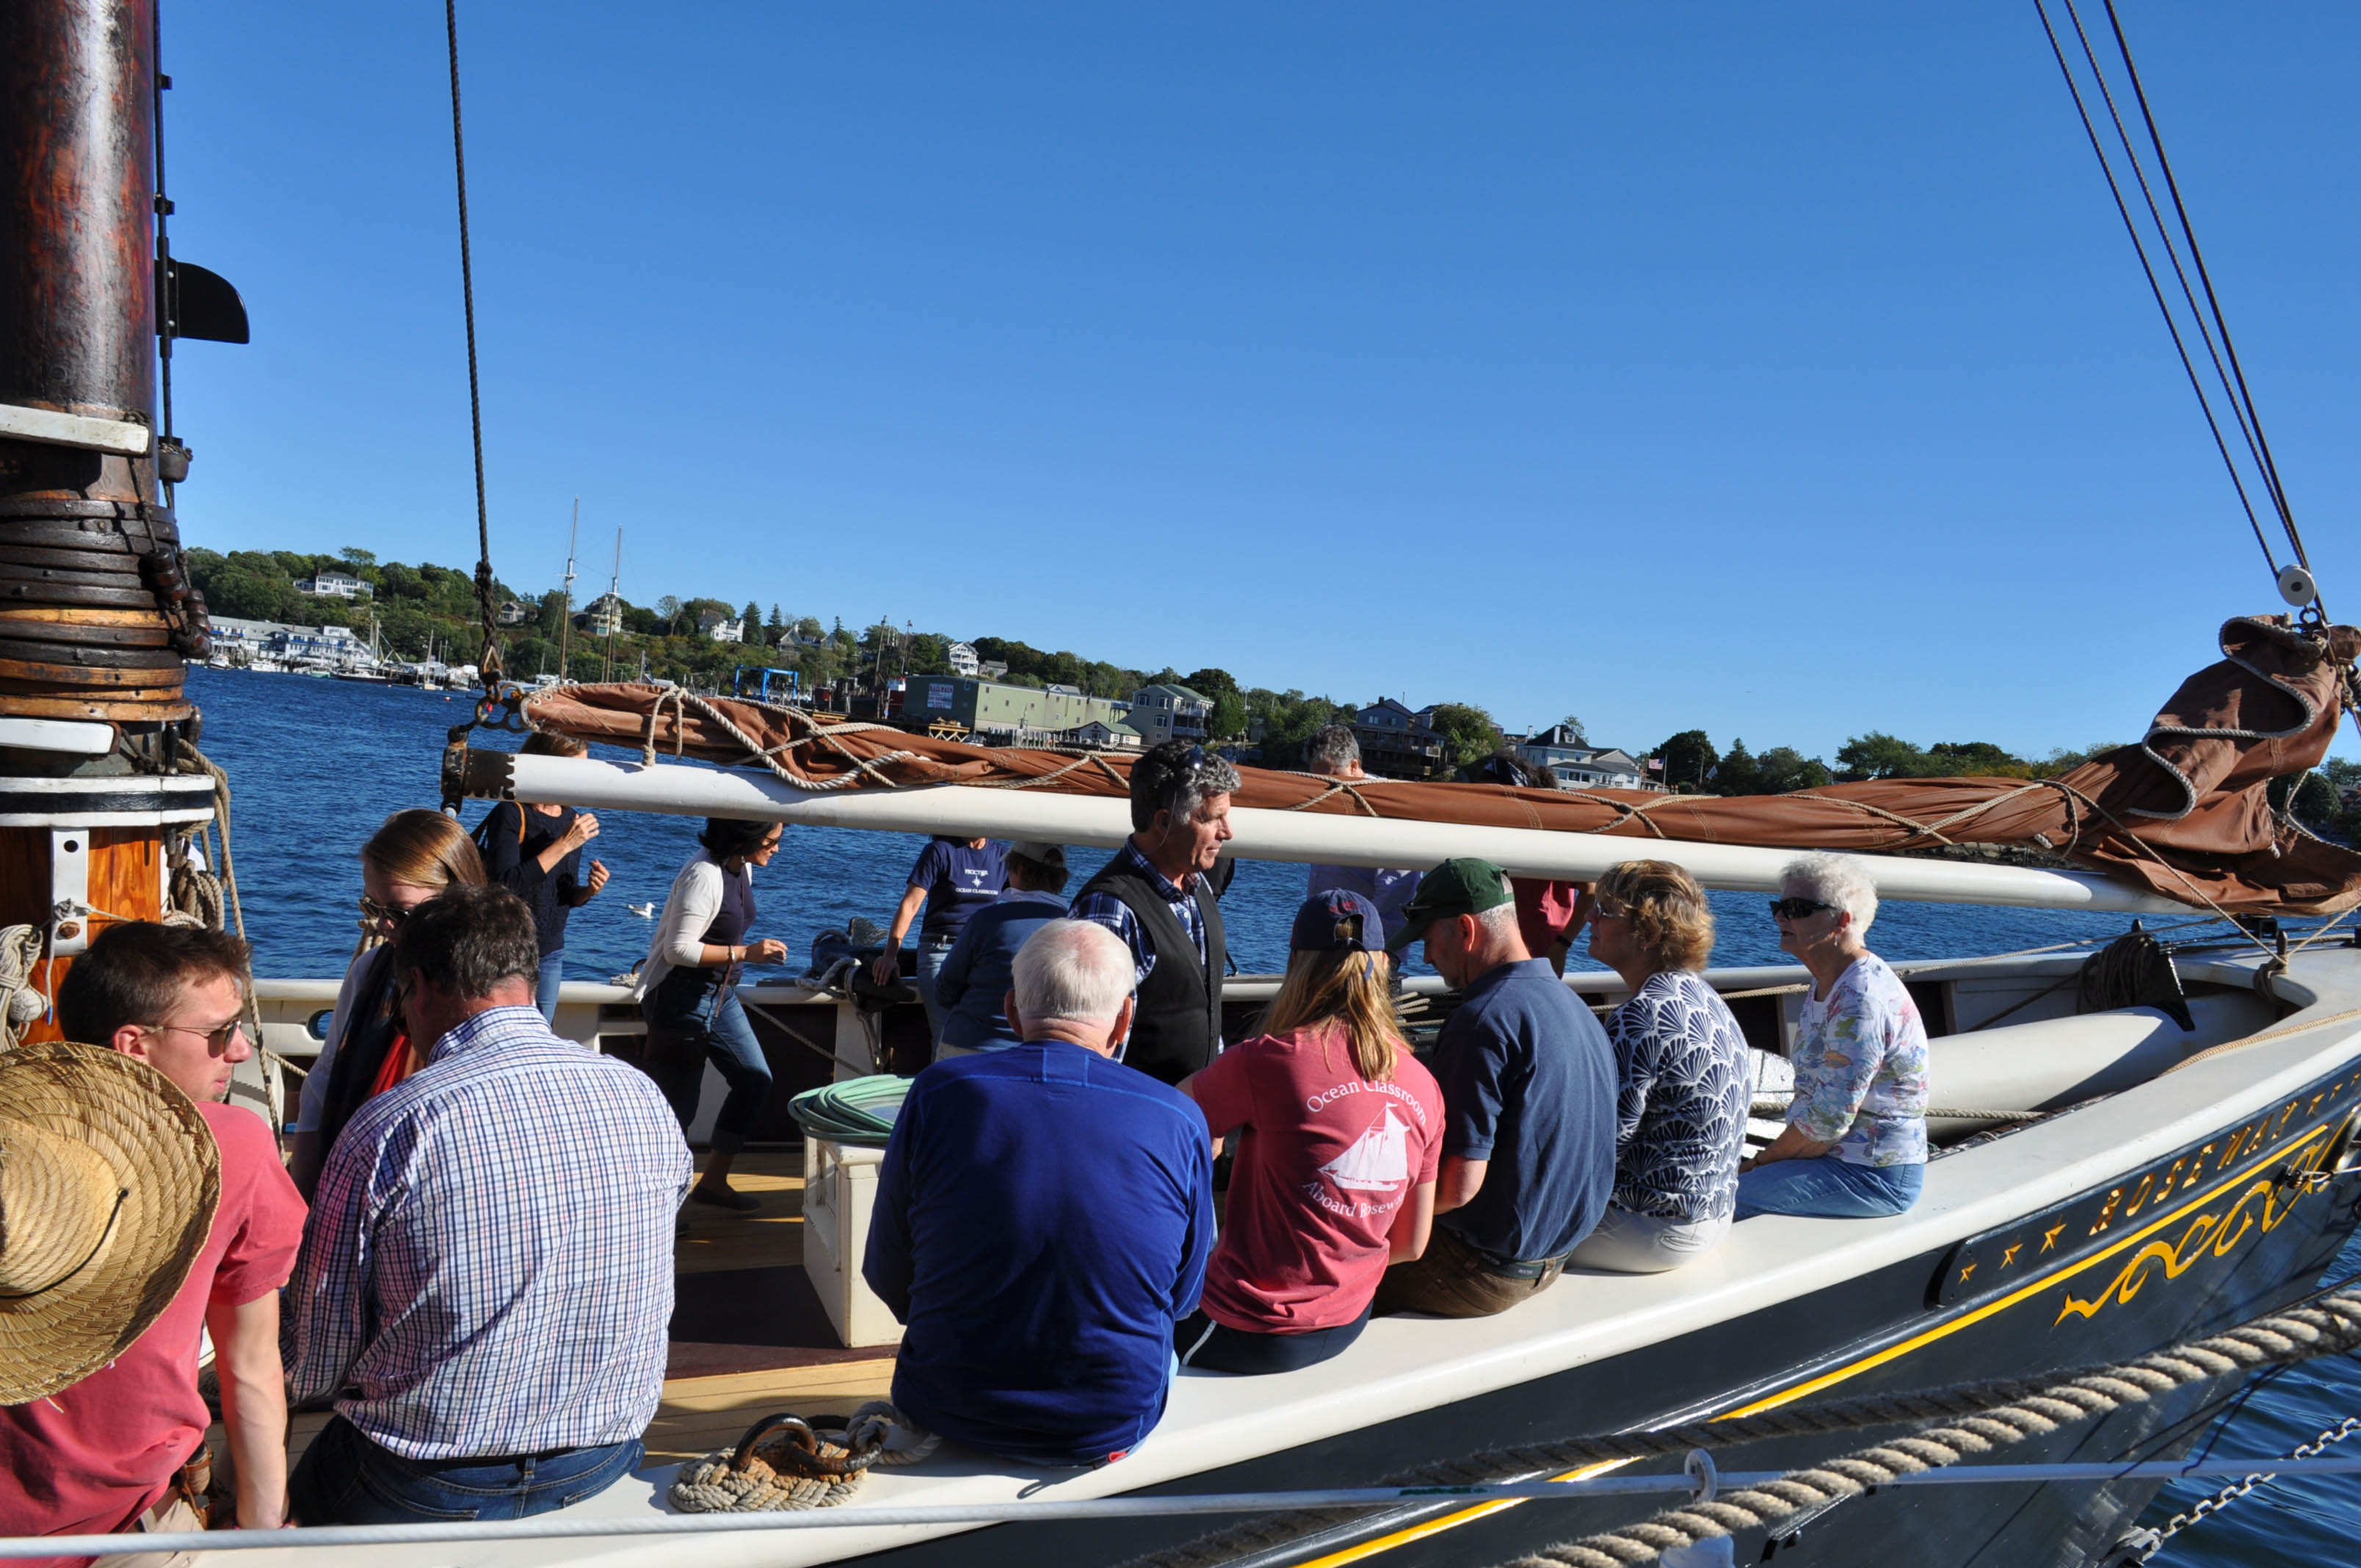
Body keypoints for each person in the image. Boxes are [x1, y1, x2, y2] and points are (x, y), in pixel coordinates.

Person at [286, 885, 690, 1525]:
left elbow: (319, 1357)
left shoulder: (392, 1126)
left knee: (289, 1501)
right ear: (527, 976)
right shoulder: (642, 1097)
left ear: (417, 986)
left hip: (423, 1476)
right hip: (600, 1461)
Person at [2, 926, 306, 1562]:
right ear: (134, 1046)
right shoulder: (232, 1150)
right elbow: (248, 1364)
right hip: (128, 1520)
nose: (243, 1049)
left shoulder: (15, 1147)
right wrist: (260, 1526)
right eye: (220, 1033)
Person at [865, 921, 1213, 1467]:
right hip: (1110, 1422)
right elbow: (1185, 1297)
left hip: (943, 1403)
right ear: (1124, 1019)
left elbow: (888, 1273)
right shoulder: (1178, 1117)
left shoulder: (938, 1092)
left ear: (1011, 1009)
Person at [1175, 890, 1442, 1373]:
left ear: (1296, 963)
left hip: (1244, 1328)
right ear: (1382, 965)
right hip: (1348, 1319)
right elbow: (1411, 1244)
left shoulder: (1269, 1061)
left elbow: (1162, 1124)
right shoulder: (1423, 1085)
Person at [1371, 857, 1615, 1318]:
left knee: (1315, 1267)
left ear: (1465, 929)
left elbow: (1458, 1188)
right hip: (1555, 1259)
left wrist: (1360, 1220)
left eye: (1428, 939)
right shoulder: (1576, 1008)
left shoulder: (1483, 1019)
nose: (1427, 957)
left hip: (1480, 1271)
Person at [289, 808, 485, 1200]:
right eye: (372, 908)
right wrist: (305, 1200)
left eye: (399, 912)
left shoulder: (488, 988)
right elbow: (323, 1083)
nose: (383, 926)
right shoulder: (369, 973)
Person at [1567, 861, 1749, 1273]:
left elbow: (1603, 1148)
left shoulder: (1643, 1015)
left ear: (1647, 932)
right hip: (1711, 1216)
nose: (1590, 917)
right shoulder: (1704, 998)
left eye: (1605, 911)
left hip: (1651, 1231)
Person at [1737, 854, 1929, 1219]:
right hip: (1835, 1157)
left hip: (1872, 1174)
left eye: (1797, 908)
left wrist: (1761, 1162)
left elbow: (1828, 1122)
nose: (1781, 917)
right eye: (1779, 906)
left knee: (1717, 1203)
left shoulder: (1861, 1000)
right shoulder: (1830, 981)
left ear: (1841, 921)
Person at [638, 818, 791, 1211]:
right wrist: (747, 954)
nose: (777, 848)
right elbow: (678, 951)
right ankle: (659, 1211)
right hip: (680, 999)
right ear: (745, 838)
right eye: (771, 840)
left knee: (755, 1079)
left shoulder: (743, 867)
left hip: (721, 995)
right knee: (677, 1110)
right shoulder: (704, 875)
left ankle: (714, 1182)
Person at [1070, 740, 1238, 1086]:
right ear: (1164, 821)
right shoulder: (1111, 908)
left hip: (1189, 1118)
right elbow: (1087, 1049)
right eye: (1213, 818)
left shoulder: (1196, 887)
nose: (1228, 832)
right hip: (1131, 1124)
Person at [476, 731, 609, 1023]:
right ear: (547, 765)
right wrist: (563, 845)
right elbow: (505, 884)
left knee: (541, 1034)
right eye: (573, 769)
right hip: (507, 951)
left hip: (551, 952)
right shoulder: (511, 813)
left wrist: (588, 890)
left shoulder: (569, 817)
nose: (580, 778)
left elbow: (563, 894)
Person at [931, 841, 1069, 1059]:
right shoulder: (1075, 928)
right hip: (1040, 1053)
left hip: (971, 1046)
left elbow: (944, 991)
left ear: (1020, 870)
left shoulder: (988, 920)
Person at [1455, 752, 1589, 974]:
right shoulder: (1487, 838)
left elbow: (1590, 893)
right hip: (1488, 957)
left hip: (1539, 960)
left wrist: (1562, 946)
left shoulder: (1553, 840)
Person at [869, 835, 1007, 1042]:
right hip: (940, 950)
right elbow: (910, 906)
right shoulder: (940, 851)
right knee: (947, 1035)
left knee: (982, 1035)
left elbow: (1017, 905)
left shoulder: (1002, 857)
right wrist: (890, 955)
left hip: (983, 956)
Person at [1299, 725, 1423, 945]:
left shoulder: (1388, 806)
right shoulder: (1327, 800)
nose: (1327, 788)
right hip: (1325, 938)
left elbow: (1397, 891)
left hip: (1366, 948)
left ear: (1354, 766)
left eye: (1334, 777)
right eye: (1318, 780)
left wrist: (1374, 950)